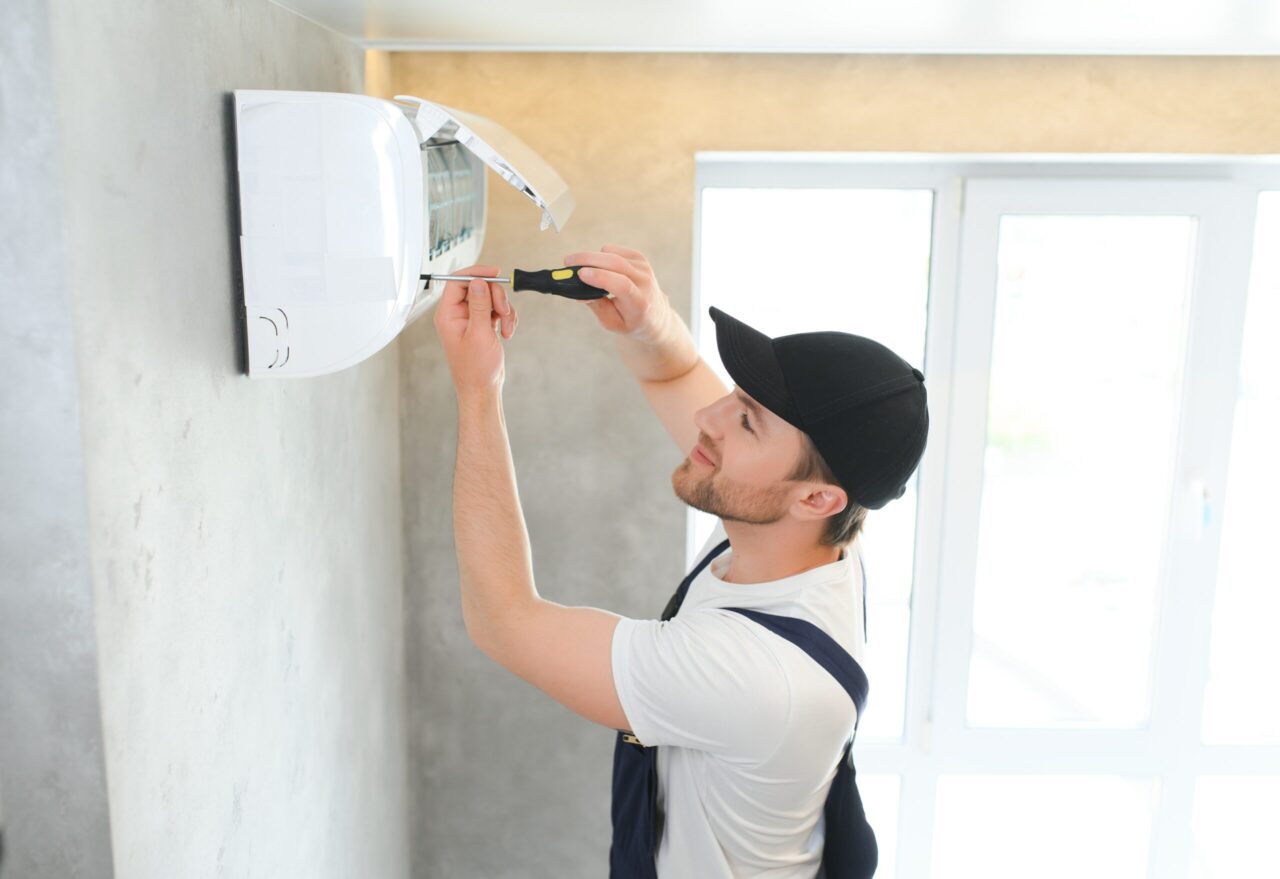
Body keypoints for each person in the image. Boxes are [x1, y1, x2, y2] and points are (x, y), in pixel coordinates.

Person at [433, 244, 928, 878]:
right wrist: (647, 318)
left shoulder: (758, 676)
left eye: (746, 421)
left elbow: (502, 620)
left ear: (815, 498)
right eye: (738, 395)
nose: (709, 416)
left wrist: (479, 390)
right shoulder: (806, 537)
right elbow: (673, 376)